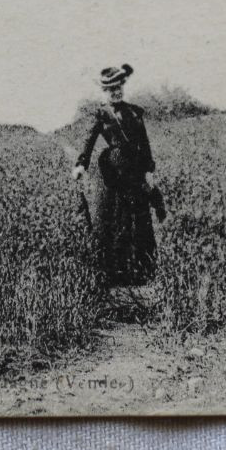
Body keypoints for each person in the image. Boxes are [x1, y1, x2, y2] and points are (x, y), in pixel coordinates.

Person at [72, 64, 161, 286]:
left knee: (140, 218)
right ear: (104, 91)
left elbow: (144, 143)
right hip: (113, 172)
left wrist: (149, 171)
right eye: (111, 89)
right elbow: (89, 140)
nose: (116, 91)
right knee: (115, 218)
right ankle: (114, 273)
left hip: (136, 170)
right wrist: (81, 164)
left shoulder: (135, 112)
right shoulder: (102, 114)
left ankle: (143, 271)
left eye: (119, 86)